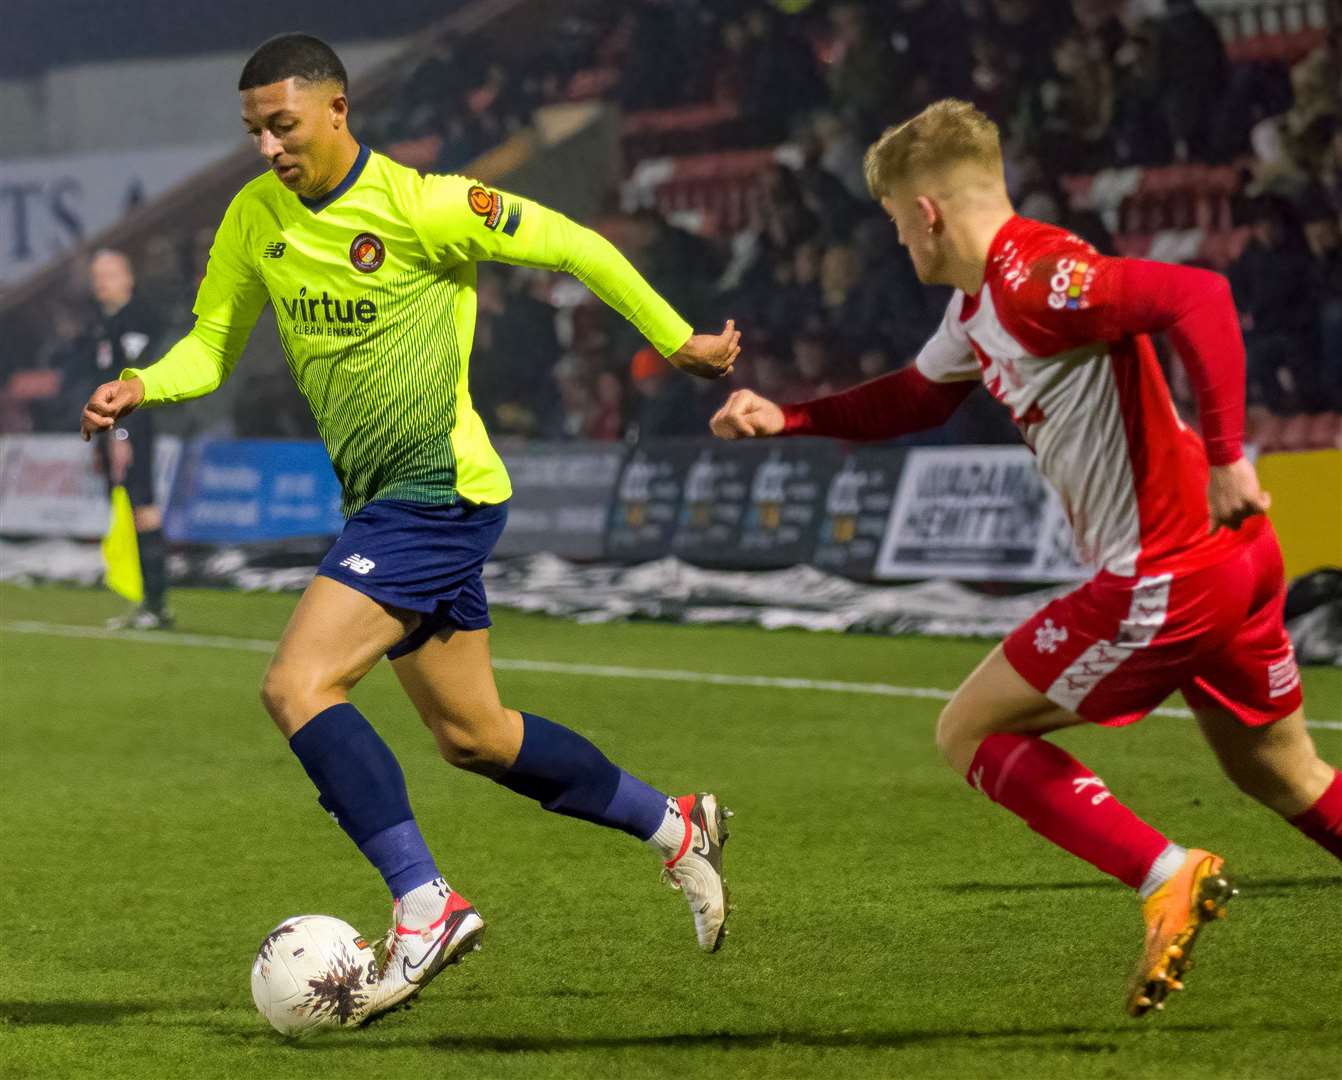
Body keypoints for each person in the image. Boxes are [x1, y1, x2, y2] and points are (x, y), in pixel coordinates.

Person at [79, 34, 740, 1025]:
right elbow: (212, 345)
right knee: (475, 736)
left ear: (338, 111)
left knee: (297, 684)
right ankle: (675, 825)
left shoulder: (427, 204)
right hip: (383, 502)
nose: (267, 146)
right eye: (254, 128)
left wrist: (673, 337)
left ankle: (427, 903)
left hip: (438, 491)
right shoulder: (254, 216)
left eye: (284, 124)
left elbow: (572, 242)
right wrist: (144, 384)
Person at [710, 99, 1341, 1019]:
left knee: (969, 731)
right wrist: (793, 417)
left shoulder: (1037, 281)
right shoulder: (980, 306)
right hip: (1236, 567)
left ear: (927, 210)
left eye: (895, 223)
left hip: (1166, 575)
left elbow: (1198, 296)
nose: (897, 244)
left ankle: (1167, 874)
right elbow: (916, 399)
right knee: (1282, 772)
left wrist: (1228, 454)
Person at [84, 249, 172, 630]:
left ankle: (156, 605)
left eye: (108, 274)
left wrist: (122, 434)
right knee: (135, 510)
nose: (100, 282)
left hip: (139, 427)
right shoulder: (107, 322)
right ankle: (148, 603)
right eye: (96, 275)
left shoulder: (138, 318)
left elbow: (133, 383)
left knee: (144, 508)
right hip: (119, 430)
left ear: (128, 278)